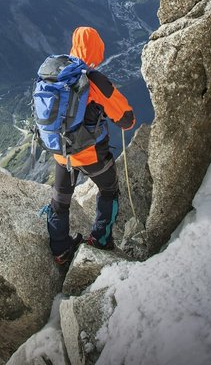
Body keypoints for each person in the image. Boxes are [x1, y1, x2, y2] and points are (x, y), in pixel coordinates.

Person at [39, 26, 135, 264]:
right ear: (97, 49)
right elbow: (125, 117)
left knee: (60, 202)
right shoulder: (94, 80)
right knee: (109, 191)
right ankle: (100, 239)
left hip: (61, 153)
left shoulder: (56, 74)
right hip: (92, 154)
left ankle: (60, 250)